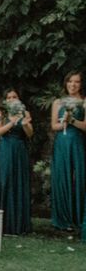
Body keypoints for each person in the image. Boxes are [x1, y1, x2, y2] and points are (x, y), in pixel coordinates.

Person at [0, 89, 33, 235]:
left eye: (14, 96)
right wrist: (13, 122)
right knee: (5, 181)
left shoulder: (25, 113)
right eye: (8, 97)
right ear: (5, 100)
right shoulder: (0, 114)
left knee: (18, 182)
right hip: (5, 150)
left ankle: (19, 225)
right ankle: (3, 224)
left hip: (19, 150)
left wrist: (25, 123)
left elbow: (29, 134)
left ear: (19, 98)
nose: (12, 99)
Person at [50, 71, 85, 232]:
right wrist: (63, 122)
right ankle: (62, 219)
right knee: (61, 177)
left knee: (80, 177)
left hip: (78, 142)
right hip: (62, 143)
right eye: (70, 81)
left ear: (81, 84)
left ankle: (78, 218)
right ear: (66, 83)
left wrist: (72, 120)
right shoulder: (58, 102)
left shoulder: (84, 102)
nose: (73, 85)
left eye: (77, 82)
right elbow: (54, 126)